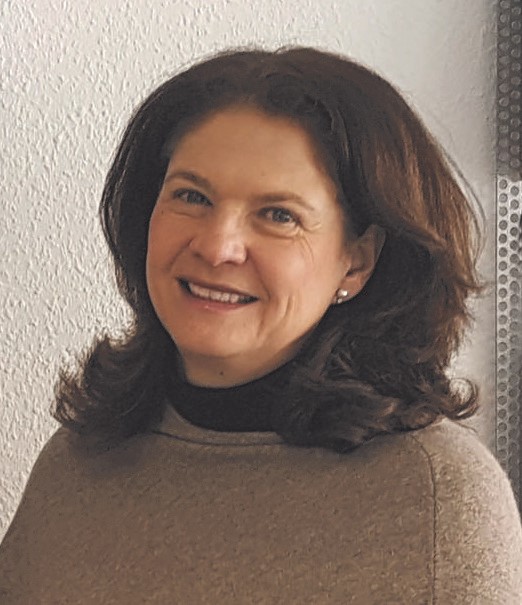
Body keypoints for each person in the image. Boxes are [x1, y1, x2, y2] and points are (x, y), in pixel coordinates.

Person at [0, 46, 521, 604]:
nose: (217, 246)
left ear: (357, 261)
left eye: (278, 215)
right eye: (192, 196)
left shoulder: (435, 495)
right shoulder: (78, 462)